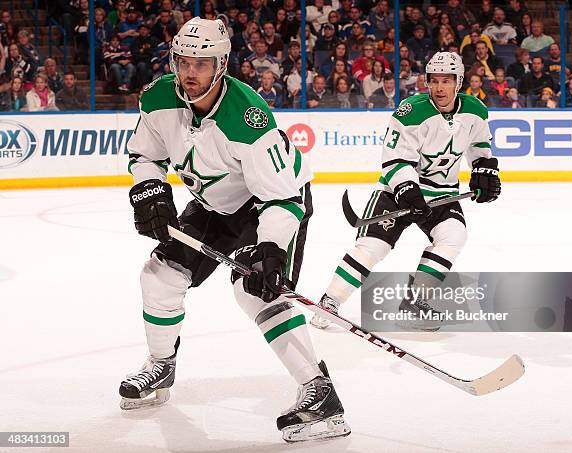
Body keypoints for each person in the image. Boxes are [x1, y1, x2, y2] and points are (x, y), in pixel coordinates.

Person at [120, 17, 350, 443]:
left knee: (255, 291)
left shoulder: (248, 119)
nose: (190, 72)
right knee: (159, 276)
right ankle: (161, 365)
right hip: (215, 203)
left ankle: (320, 393)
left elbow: (281, 199)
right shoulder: (156, 99)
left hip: (275, 202)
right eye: (183, 61)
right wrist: (149, 190)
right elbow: (143, 155)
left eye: (201, 64)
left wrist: (271, 250)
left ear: (221, 64)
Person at [310, 52, 500, 332]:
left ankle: (415, 303)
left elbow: (480, 148)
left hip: (442, 194)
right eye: (434, 81)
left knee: (453, 235)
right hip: (396, 192)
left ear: (458, 82)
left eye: (446, 81)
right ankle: (330, 301)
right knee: (373, 246)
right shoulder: (411, 111)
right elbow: (395, 158)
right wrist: (408, 190)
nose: (439, 88)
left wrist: (484, 171)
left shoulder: (476, 111)